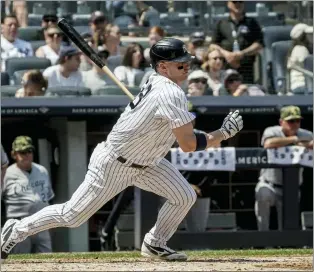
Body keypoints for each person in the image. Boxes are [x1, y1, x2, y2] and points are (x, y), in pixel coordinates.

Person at [1, 38, 243, 262]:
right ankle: (17, 229)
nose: (185, 65)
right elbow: (188, 145)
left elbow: (177, 132)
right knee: (72, 216)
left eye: (186, 61)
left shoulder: (157, 82)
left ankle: (155, 243)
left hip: (148, 161)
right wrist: (223, 133)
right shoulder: (169, 91)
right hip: (115, 162)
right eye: (179, 63)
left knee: (184, 196)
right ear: (162, 67)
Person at [255, 106, 313, 231]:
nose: (295, 124)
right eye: (291, 121)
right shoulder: (272, 131)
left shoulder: (306, 134)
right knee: (262, 195)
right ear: (281, 122)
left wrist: (303, 143)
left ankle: (287, 246)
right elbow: (268, 144)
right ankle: (262, 240)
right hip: (269, 183)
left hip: (292, 187)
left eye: (297, 121)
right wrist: (294, 140)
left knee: (288, 226)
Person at [2, 136, 54, 254]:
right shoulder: (6, 174)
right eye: (22, 152)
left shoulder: (42, 170)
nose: (26, 155)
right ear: (13, 154)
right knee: (21, 261)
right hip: (19, 224)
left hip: (42, 223)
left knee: (47, 260)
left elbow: (48, 199)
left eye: (29, 151)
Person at [210, 1, 263, 83]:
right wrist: (226, 54)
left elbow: (259, 44)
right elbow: (213, 45)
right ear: (228, 4)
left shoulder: (252, 23)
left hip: (247, 69)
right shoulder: (221, 23)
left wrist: (242, 53)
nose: (238, 4)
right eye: (234, 2)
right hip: (225, 68)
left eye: (240, 2)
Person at [287, 23, 313, 94]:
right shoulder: (301, 49)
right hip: (302, 85)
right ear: (303, 36)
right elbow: (309, 66)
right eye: (309, 34)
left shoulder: (296, 48)